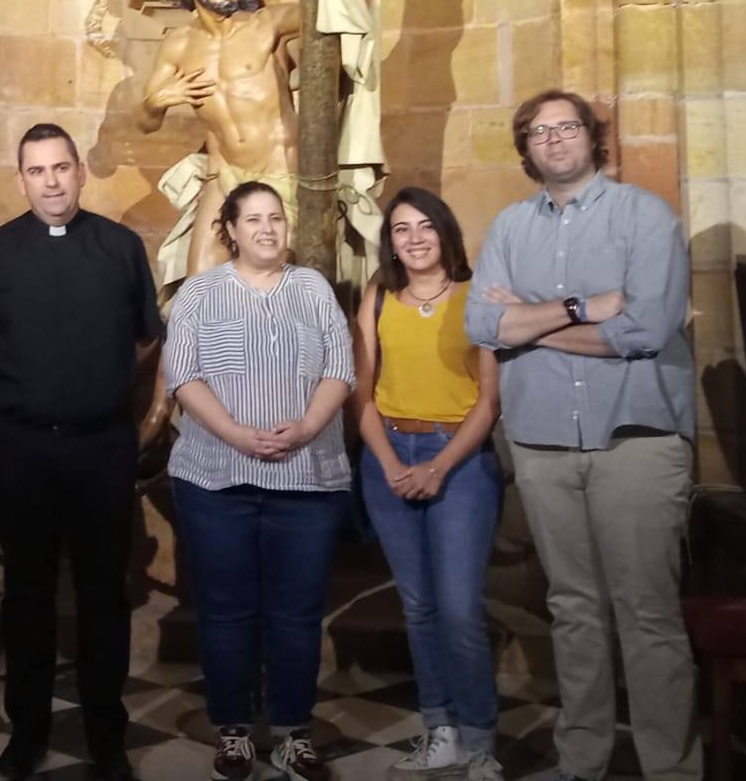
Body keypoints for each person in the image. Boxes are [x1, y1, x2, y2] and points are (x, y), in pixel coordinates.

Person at [466, 91, 700, 781]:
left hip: (635, 438)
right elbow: (482, 327)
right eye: (540, 132)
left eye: (567, 127)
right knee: (572, 609)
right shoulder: (510, 227)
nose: (555, 140)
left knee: (647, 612)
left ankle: (670, 769)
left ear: (592, 139)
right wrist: (583, 309)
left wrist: (535, 325)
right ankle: (583, 761)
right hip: (542, 439)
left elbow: (647, 331)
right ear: (526, 149)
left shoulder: (645, 216)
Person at [0, 124, 161, 781]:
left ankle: (106, 734)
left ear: (79, 172)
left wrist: (92, 387)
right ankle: (28, 730)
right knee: (27, 592)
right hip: (24, 448)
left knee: (106, 592)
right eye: (37, 170)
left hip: (102, 445)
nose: (51, 180)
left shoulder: (121, 248)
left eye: (61, 167)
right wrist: (37, 389)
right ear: (21, 180)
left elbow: (144, 340)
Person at [162, 182, 354, 781]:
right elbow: (183, 375)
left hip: (307, 479)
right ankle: (235, 731)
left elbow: (340, 368)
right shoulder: (199, 292)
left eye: (276, 219)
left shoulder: (313, 288)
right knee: (226, 613)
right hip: (217, 480)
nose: (267, 229)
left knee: (297, 616)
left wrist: (305, 427)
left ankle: (295, 731)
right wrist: (237, 435)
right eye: (253, 219)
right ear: (231, 229)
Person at [353, 189, 502, 779]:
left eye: (424, 227)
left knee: (461, 607)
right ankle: (439, 727)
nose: (413, 239)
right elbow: (361, 392)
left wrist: (438, 466)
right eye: (400, 229)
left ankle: (481, 736)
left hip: (458, 457)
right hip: (388, 451)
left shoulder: (477, 296)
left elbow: (489, 401)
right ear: (389, 241)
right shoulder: (378, 296)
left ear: (445, 232)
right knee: (418, 606)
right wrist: (389, 462)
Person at [140, 0, 376, 283]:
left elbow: (333, 14)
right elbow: (143, 123)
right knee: (199, 289)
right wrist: (155, 104)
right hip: (224, 177)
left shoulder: (268, 25)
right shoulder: (178, 45)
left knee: (281, 288)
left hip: (281, 174)